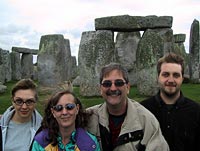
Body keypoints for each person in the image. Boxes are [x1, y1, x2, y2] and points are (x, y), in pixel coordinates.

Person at [86, 62, 169, 151]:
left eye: (119, 83)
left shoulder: (146, 120)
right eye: (107, 84)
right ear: (100, 89)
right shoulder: (88, 117)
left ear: (128, 87)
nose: (113, 88)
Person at [140, 53, 200, 151]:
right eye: (166, 74)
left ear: (182, 78)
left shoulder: (196, 111)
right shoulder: (142, 110)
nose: (171, 80)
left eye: (176, 75)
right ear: (158, 77)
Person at [30, 90, 100, 151]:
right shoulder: (41, 142)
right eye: (58, 108)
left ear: (77, 109)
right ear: (53, 112)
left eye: (69, 107)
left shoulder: (90, 143)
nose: (64, 112)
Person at [0, 78, 42, 151]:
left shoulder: (44, 129)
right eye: (19, 101)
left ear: (36, 102)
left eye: (29, 101)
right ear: (12, 101)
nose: (24, 107)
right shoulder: (1, 124)